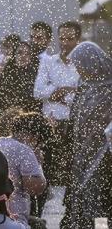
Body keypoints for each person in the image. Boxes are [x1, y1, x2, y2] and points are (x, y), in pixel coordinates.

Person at [64, 42, 112, 229]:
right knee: (80, 210)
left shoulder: (110, 87)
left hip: (107, 161)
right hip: (84, 159)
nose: (78, 69)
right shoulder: (84, 87)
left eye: (80, 64)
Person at [33, 21, 81, 217]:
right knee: (45, 173)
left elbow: (82, 95)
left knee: (72, 176)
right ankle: (38, 221)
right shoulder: (48, 62)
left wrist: (59, 94)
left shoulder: (82, 63)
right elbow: (37, 91)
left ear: (78, 39)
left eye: (70, 38)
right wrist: (63, 92)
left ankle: (71, 220)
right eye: (62, 38)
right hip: (50, 125)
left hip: (74, 125)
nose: (65, 42)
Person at [0, 112, 50, 229]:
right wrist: (38, 164)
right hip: (14, 218)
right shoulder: (25, 150)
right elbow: (35, 188)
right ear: (35, 137)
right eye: (40, 144)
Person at [0, 41, 41, 138]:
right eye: (19, 53)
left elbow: (37, 99)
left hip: (28, 122)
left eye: (27, 54)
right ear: (14, 55)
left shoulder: (36, 75)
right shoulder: (7, 74)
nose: (23, 56)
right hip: (6, 121)